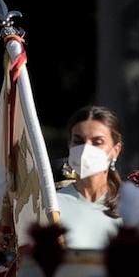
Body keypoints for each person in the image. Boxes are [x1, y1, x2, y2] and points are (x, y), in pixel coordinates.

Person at [55, 105, 124, 250]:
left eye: (97, 142)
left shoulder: (130, 205)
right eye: (78, 141)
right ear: (70, 145)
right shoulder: (52, 205)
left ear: (115, 151)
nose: (85, 149)